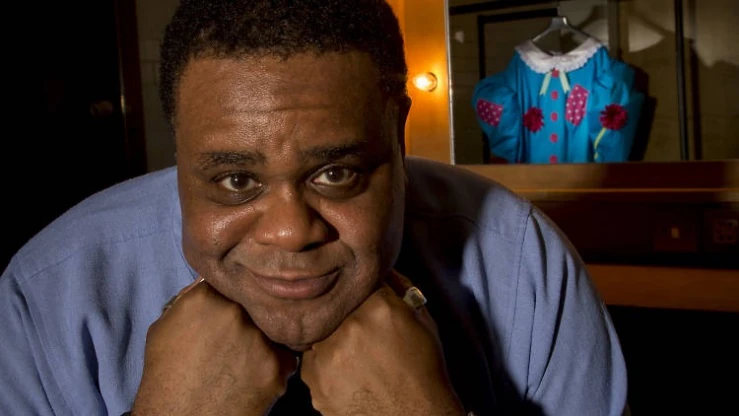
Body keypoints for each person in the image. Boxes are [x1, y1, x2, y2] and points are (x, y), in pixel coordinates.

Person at [0, 0, 628, 415]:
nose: (290, 232)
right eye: (236, 180)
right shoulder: (49, 292)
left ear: (398, 135)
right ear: (178, 149)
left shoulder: (521, 264)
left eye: (336, 173)